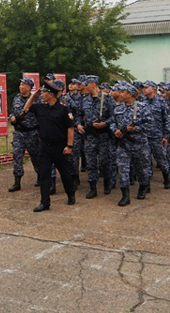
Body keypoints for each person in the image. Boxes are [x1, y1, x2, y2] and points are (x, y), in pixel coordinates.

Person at [23, 79, 77, 212]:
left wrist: (69, 146)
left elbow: (70, 128)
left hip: (59, 146)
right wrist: (33, 96)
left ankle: (70, 194)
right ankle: (44, 202)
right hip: (44, 146)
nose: (42, 94)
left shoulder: (63, 109)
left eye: (44, 92)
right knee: (45, 175)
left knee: (65, 173)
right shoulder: (41, 107)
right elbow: (26, 108)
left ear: (51, 94)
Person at [110, 83, 154, 206]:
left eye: (123, 92)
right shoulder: (118, 108)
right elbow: (112, 122)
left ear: (130, 94)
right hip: (123, 145)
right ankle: (125, 195)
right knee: (123, 169)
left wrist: (135, 129)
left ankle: (143, 186)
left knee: (141, 169)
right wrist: (115, 130)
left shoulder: (143, 107)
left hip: (139, 144)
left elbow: (150, 126)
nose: (120, 94)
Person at [78, 75, 114, 198]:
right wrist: (78, 125)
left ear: (93, 84)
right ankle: (92, 187)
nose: (84, 87)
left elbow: (115, 116)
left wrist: (105, 123)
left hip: (103, 135)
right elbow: (79, 114)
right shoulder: (84, 99)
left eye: (86, 84)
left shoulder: (108, 98)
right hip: (89, 136)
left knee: (105, 161)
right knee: (91, 162)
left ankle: (107, 183)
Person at [8, 78, 41, 192]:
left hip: (32, 132)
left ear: (28, 87)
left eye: (22, 84)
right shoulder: (16, 98)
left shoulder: (36, 99)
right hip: (18, 132)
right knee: (17, 156)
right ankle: (17, 181)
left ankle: (40, 176)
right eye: (20, 84)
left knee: (35, 156)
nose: (20, 86)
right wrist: (11, 117)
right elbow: (13, 111)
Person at [141, 80, 170, 189]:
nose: (144, 89)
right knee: (145, 161)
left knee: (161, 158)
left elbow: (167, 120)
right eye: (143, 87)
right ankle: (146, 184)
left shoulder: (161, 102)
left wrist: (166, 136)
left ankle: (167, 177)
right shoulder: (141, 101)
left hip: (157, 136)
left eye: (146, 87)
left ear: (153, 89)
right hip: (144, 135)